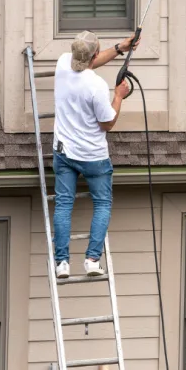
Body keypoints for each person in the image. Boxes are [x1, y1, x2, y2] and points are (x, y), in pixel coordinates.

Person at [51, 30, 138, 278]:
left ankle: (62, 264)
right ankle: (91, 260)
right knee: (101, 204)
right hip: (93, 157)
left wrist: (121, 48)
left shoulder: (62, 63)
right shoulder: (97, 85)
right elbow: (107, 123)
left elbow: (89, 63)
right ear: (95, 55)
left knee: (64, 204)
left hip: (64, 152)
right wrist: (119, 97)